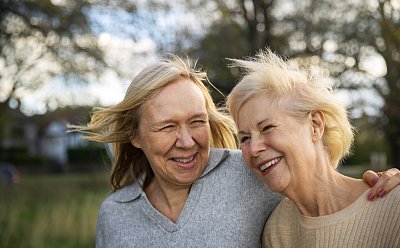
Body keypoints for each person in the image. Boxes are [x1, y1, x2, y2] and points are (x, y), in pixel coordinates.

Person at [70, 55, 399, 248]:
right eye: (167, 126)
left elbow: (314, 180)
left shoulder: (249, 171)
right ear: (135, 136)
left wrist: (388, 185)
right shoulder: (114, 215)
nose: (186, 141)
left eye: (196, 121)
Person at [226, 48, 400, 247]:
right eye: (245, 138)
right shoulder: (277, 231)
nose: (254, 147)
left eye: (267, 127)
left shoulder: (393, 207)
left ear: (315, 125)